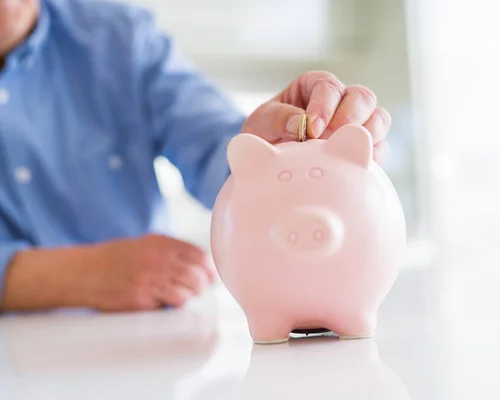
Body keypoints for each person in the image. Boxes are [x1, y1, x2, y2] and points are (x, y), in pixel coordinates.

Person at [0, 0, 391, 312]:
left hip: (149, 342)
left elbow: (218, 150)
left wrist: (275, 145)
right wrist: (70, 276)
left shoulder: (119, 37)